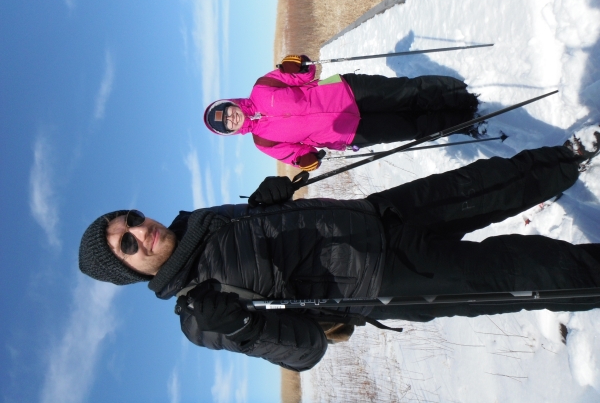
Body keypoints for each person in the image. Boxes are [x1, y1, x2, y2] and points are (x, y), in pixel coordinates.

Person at [79, 131, 600, 372]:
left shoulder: (201, 220)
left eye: (130, 218)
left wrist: (270, 202)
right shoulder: (199, 316)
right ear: (128, 271)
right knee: (528, 270)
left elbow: (273, 228)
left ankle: (569, 156)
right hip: (391, 280)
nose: (138, 229)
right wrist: (243, 328)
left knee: (487, 183)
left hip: (381, 214)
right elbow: (306, 349)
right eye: (126, 243)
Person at [203, 55, 480, 171]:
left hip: (348, 90)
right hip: (347, 134)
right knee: (409, 127)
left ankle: (461, 93)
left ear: (229, 103)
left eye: (226, 112)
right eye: (226, 124)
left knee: (408, 92)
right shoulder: (263, 142)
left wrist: (297, 65)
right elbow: (295, 154)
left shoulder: (262, 87)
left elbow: (305, 74)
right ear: (230, 131)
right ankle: (463, 121)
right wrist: (308, 161)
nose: (230, 118)